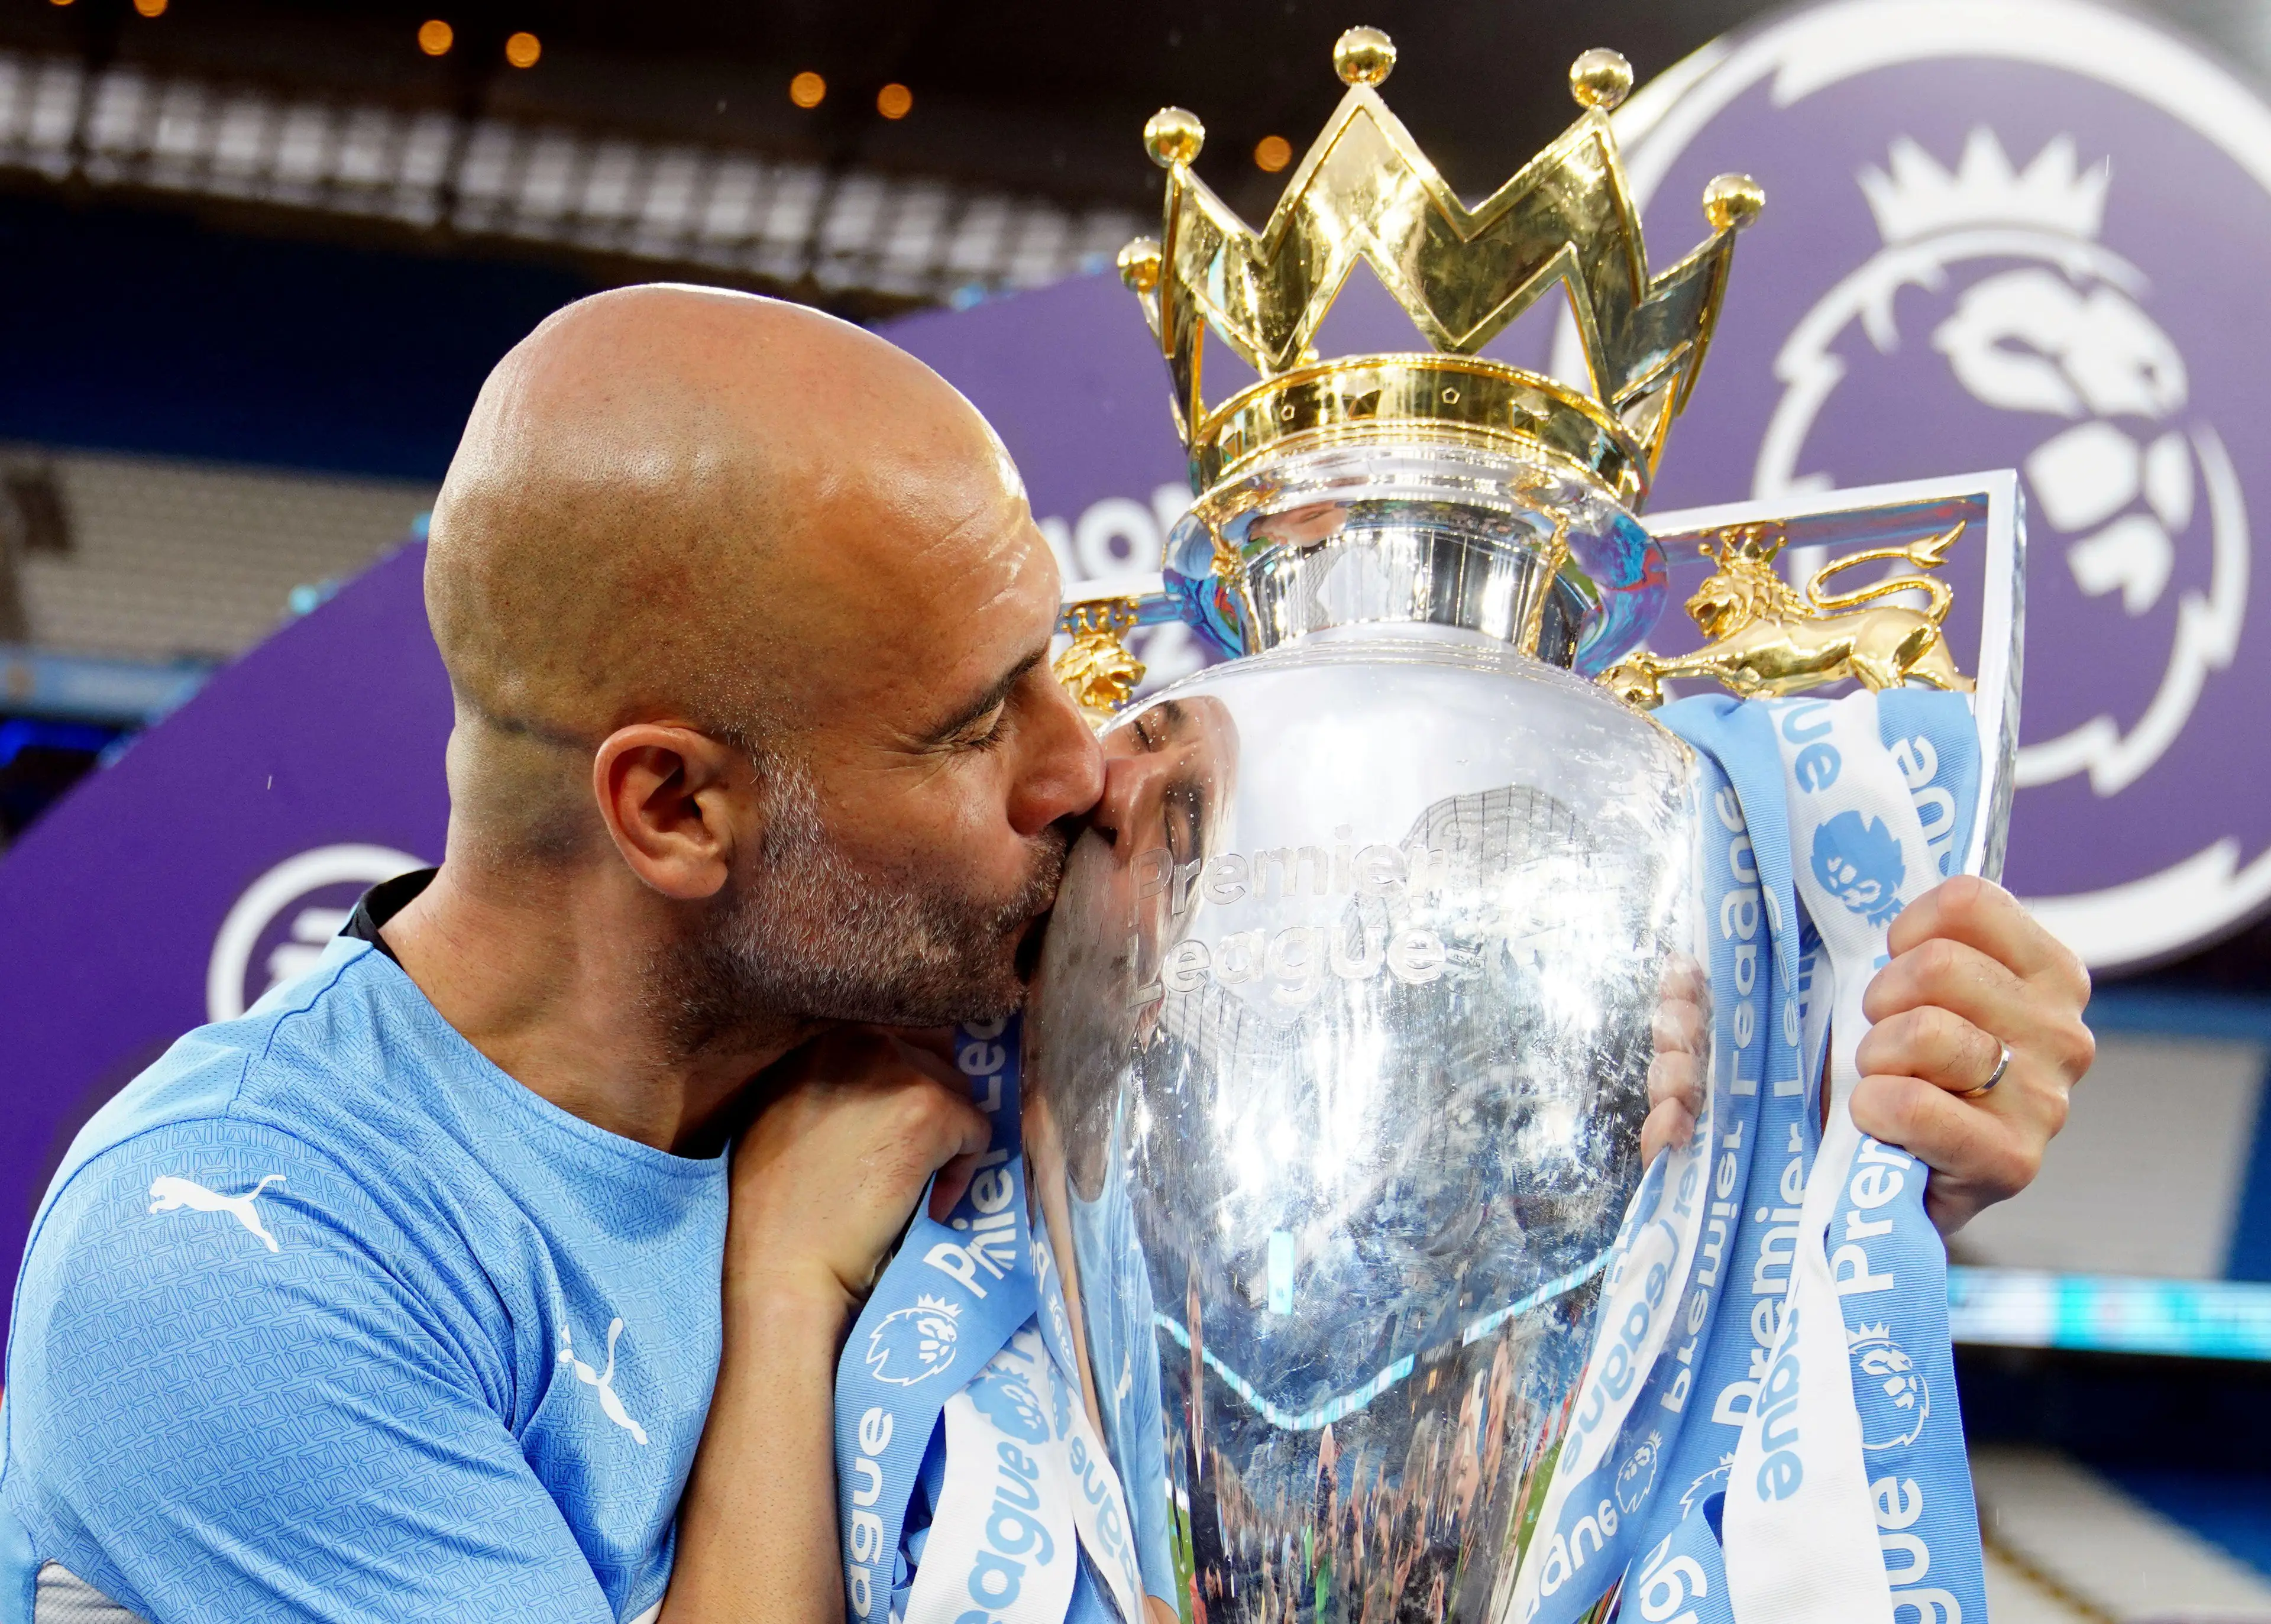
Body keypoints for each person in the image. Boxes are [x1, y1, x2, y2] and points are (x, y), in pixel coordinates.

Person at [0, 284, 2094, 1624]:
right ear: (677, 810)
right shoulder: (232, 1259)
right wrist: (781, 1299)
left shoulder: (965, 996)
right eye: (970, 726)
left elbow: (1525, 1196)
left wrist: (1870, 1111)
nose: (1084, 765)